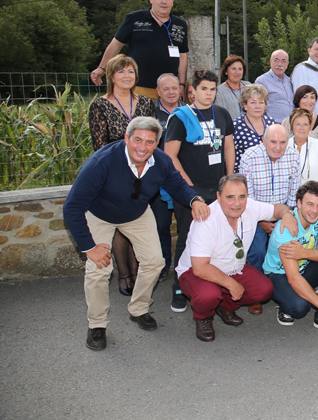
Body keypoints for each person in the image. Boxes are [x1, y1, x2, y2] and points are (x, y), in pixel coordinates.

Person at [64, 117, 210, 350]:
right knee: (99, 269)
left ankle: (139, 308)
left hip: (136, 214)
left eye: (150, 142)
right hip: (100, 213)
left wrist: (194, 199)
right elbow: (72, 206)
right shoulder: (102, 162)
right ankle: (97, 325)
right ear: (126, 138)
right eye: (137, 140)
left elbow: (176, 184)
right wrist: (89, 247)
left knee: (155, 261)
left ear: (157, 144)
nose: (142, 147)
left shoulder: (161, 161)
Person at [176, 174, 294, 342]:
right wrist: (232, 284)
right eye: (230, 197)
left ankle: (225, 307)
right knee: (208, 295)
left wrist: (287, 215)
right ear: (218, 196)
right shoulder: (206, 220)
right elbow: (200, 268)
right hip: (197, 272)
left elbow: (278, 209)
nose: (237, 203)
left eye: (242, 197)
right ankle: (203, 318)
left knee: (264, 289)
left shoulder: (251, 207)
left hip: (234, 267)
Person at [164, 69, 235, 313]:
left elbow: (228, 148)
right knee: (187, 239)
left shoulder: (222, 114)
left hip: (217, 190)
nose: (208, 93)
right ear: (193, 90)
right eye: (203, 88)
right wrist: (188, 186)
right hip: (190, 192)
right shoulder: (180, 117)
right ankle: (178, 287)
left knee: (217, 241)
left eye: (212, 89)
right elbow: (170, 156)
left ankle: (211, 286)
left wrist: (228, 179)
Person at [88, 55, 156, 296]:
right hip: (114, 174)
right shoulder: (100, 105)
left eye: (131, 71)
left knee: (136, 221)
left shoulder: (146, 103)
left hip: (142, 171)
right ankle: (125, 274)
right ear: (111, 76)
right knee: (118, 228)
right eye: (121, 72)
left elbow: (153, 140)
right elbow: (100, 147)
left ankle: (138, 271)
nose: (127, 76)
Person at [263, 181, 318, 337]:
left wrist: (303, 253)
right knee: (299, 307)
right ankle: (286, 304)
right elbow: (293, 278)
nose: (314, 211)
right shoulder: (285, 229)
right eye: (309, 204)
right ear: (299, 203)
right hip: (278, 274)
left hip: (304, 266)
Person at [239, 124, 300, 313]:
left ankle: (286, 288)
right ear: (263, 141)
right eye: (273, 142)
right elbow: (245, 197)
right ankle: (255, 295)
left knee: (288, 248)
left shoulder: (293, 156)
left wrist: (284, 217)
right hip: (255, 215)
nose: (278, 147)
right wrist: (262, 221)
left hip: (284, 213)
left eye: (282, 142)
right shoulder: (249, 157)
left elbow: (294, 192)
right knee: (257, 251)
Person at [90, 0, 187, 100]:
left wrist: (181, 84)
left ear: (172, 1)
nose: (164, 1)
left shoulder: (180, 24)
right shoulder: (134, 19)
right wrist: (102, 68)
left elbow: (182, 56)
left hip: (169, 89)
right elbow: (116, 44)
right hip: (139, 86)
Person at [152, 73, 184, 279]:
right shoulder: (150, 114)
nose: (171, 92)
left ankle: (184, 266)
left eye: (174, 88)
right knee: (160, 224)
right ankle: (163, 265)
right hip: (157, 179)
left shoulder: (189, 112)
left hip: (183, 178)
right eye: (166, 89)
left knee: (186, 226)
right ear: (158, 92)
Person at [232, 84, 275, 172]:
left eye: (261, 102)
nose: (257, 106)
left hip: (269, 174)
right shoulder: (236, 126)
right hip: (244, 175)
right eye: (253, 102)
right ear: (245, 105)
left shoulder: (271, 123)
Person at [287, 108, 318, 188]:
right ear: (292, 126)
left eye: (305, 124)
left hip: (314, 196)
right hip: (290, 196)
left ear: (310, 126)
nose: (302, 128)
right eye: (298, 124)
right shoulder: (285, 146)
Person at [291, 37, 318, 117]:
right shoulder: (302, 69)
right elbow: (300, 99)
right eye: (316, 49)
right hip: (309, 120)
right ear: (309, 51)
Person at [254, 49, 294, 123]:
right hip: (273, 126)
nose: (279, 64)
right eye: (276, 60)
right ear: (270, 62)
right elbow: (258, 106)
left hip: (291, 126)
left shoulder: (290, 81)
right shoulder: (262, 81)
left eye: (283, 61)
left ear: (287, 64)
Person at [214, 55, 249, 120]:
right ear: (226, 71)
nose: (237, 72)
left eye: (240, 69)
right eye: (233, 69)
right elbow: (219, 114)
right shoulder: (219, 91)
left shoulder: (249, 86)